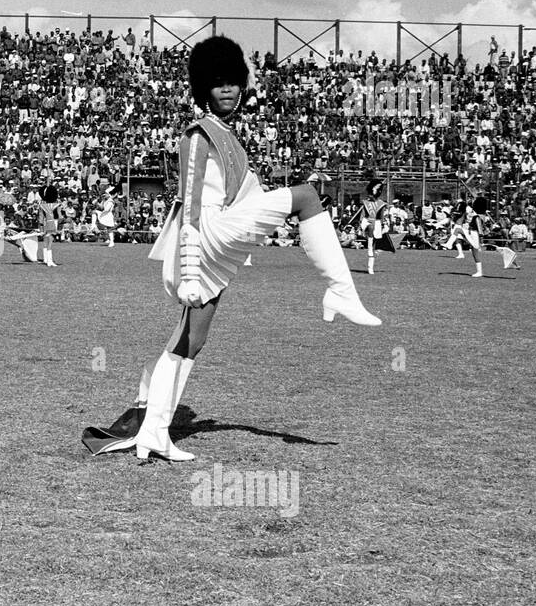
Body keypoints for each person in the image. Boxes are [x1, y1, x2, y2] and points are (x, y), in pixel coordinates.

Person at [91, 36, 380, 464]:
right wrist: (189, 272)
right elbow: (189, 207)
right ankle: (339, 289)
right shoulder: (197, 136)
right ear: (203, 88)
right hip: (206, 234)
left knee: (192, 338)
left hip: (219, 236)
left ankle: (153, 431)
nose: (226, 89)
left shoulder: (228, 135)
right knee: (305, 196)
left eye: (232, 82)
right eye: (217, 82)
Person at [361, 179, 387, 274]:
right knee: (371, 228)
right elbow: (363, 215)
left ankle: (370, 267)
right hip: (366, 222)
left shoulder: (381, 204)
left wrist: (383, 224)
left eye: (370, 194)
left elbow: (381, 217)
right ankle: (370, 248)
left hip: (377, 223)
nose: (368, 196)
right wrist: (361, 224)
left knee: (375, 245)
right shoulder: (365, 203)